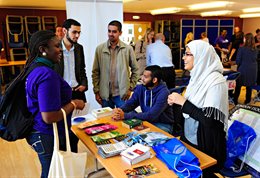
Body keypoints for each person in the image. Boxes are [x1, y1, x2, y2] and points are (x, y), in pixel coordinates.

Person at [25, 30, 85, 178]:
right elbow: (49, 116)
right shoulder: (46, 75)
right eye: (57, 46)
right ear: (43, 49)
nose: (60, 50)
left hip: (39, 132)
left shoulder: (34, 68)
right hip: (47, 134)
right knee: (52, 173)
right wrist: (74, 104)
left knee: (51, 172)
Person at [168, 40, 228, 176]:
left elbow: (209, 120)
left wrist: (183, 102)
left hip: (207, 146)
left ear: (201, 57)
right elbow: (186, 116)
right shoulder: (196, 77)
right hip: (190, 140)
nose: (183, 57)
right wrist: (175, 104)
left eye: (188, 54)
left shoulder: (216, 82)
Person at [112, 65, 174, 133]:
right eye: (142, 75)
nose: (141, 78)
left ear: (154, 80)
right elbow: (131, 103)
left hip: (162, 124)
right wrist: (119, 111)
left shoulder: (164, 93)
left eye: (145, 77)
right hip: (146, 121)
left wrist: (125, 115)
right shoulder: (141, 88)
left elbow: (151, 115)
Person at [92, 20, 139, 108]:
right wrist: (96, 91)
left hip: (122, 95)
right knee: (107, 120)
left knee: (123, 119)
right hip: (105, 95)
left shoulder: (128, 49)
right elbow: (95, 72)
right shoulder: (100, 49)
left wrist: (130, 88)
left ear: (120, 33)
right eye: (109, 31)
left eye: (114, 32)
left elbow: (136, 70)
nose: (111, 34)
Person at [54, 19, 88, 102]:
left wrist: (84, 84)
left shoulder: (79, 48)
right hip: (61, 92)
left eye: (79, 32)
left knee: (83, 115)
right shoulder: (55, 48)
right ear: (65, 31)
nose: (77, 35)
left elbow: (82, 68)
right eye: (74, 32)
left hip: (78, 92)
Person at [233, 33, 258, 105]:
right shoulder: (256, 50)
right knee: (249, 87)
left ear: (245, 39)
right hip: (253, 70)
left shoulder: (241, 49)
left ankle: (235, 101)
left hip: (243, 69)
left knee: (238, 86)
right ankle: (247, 101)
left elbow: (238, 61)